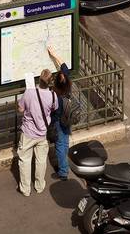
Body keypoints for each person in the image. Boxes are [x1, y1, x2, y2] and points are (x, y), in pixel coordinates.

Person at [16, 71, 57, 196]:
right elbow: (54, 108)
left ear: (39, 80)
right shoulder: (53, 95)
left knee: (25, 161)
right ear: (50, 82)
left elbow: (20, 109)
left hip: (28, 133)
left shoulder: (29, 92)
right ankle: (39, 186)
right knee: (41, 160)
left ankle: (25, 189)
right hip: (42, 133)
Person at [47, 45, 73, 180]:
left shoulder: (55, 96)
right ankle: (64, 166)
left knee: (59, 145)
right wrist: (54, 54)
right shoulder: (68, 87)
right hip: (67, 118)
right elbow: (64, 67)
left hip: (58, 121)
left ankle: (63, 172)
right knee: (65, 142)